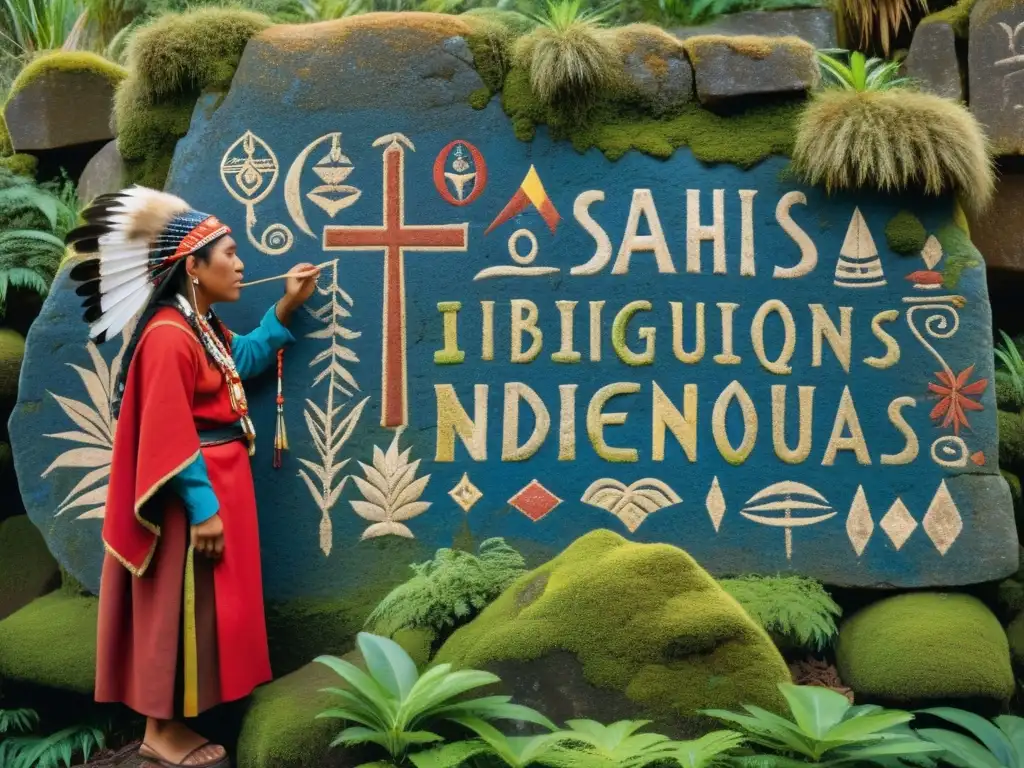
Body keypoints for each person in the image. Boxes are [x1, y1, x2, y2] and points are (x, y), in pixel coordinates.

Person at [65, 187, 319, 767]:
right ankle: (158, 730)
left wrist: (284, 308)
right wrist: (203, 508)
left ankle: (177, 720)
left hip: (217, 490)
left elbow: (242, 366)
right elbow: (167, 431)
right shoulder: (166, 337)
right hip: (185, 502)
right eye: (228, 253)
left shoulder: (201, 328)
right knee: (171, 609)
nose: (240, 263)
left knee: (203, 612)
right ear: (193, 269)